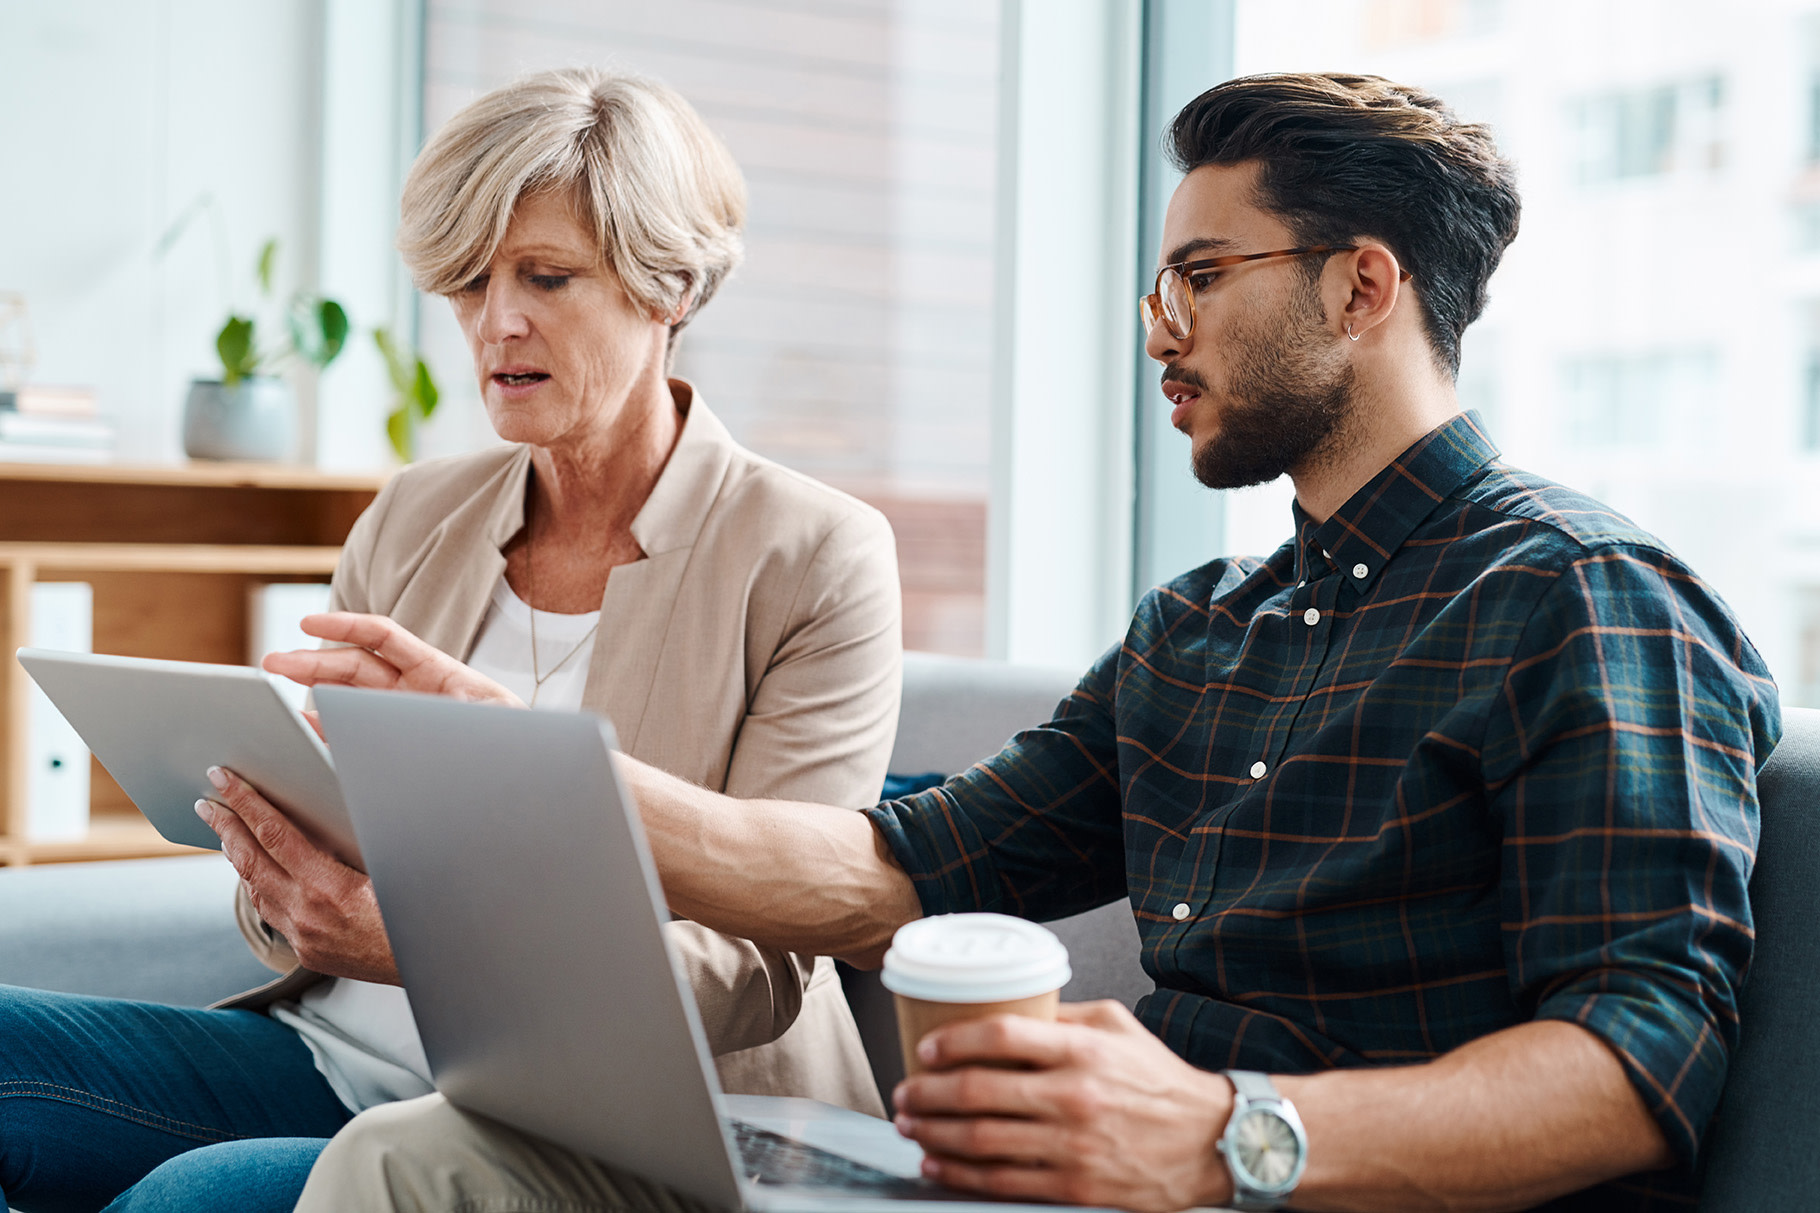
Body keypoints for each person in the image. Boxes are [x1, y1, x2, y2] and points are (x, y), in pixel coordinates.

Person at [290, 73, 1780, 1213]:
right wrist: (518, 762)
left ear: (1362, 286)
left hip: (1252, 1176)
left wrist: (1222, 1134)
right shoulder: (1204, 630)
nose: (1158, 329)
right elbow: (887, 871)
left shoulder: (1579, 594)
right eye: (1157, 285)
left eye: (1201, 277)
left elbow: (1638, 1061)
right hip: (1067, 1185)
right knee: (427, 1163)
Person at [0, 67, 901, 1213]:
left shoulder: (812, 553)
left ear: (667, 285)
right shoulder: (415, 515)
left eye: (546, 277)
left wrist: (425, 946)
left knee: (194, 1197)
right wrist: (281, 869)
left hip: (613, 1121)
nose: (496, 322)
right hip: (339, 1059)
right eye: (469, 283)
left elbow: (762, 960)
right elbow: (308, 871)